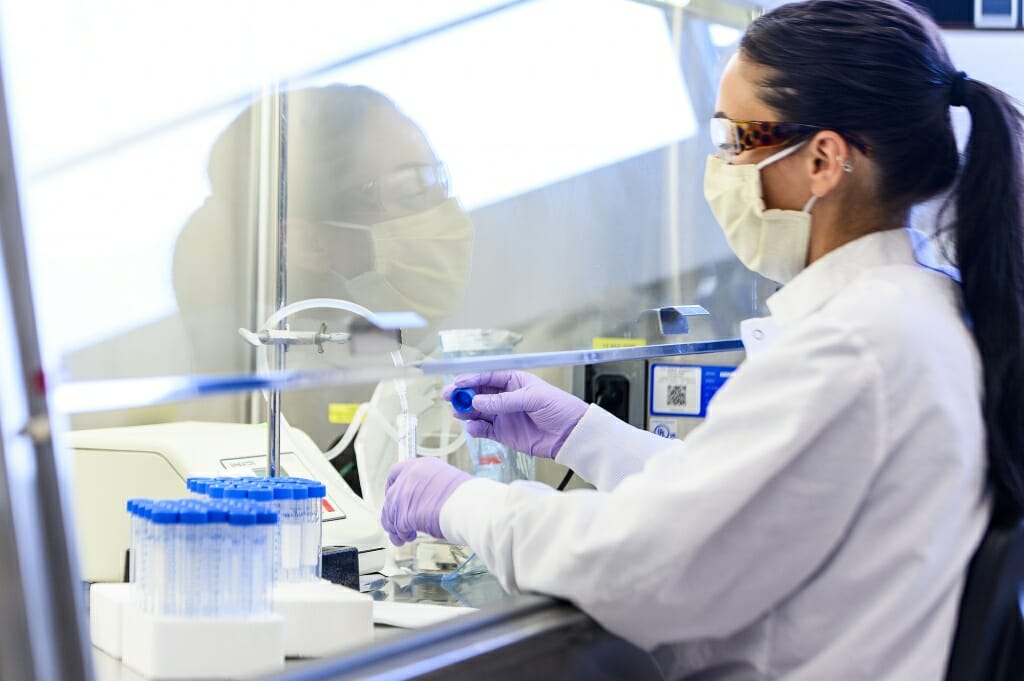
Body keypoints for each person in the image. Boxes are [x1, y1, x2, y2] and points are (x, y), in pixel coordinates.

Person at [380, 1, 1024, 678]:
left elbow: (640, 568)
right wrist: (582, 434)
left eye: (734, 141)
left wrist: (457, 499)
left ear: (824, 160)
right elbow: (749, 500)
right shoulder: (921, 306)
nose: (721, 168)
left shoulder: (856, 345)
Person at [173, 84, 474, 493]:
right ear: (309, 242)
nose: (447, 211)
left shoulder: (390, 364)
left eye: (439, 178)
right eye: (412, 188)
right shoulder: (294, 408)